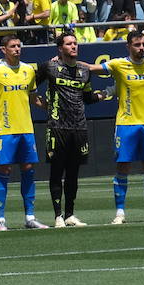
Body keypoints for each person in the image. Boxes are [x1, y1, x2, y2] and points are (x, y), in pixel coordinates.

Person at [41, 32, 108, 227]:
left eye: (75, 43)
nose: (73, 47)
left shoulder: (84, 71)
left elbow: (87, 98)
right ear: (60, 48)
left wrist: (105, 94)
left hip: (79, 127)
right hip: (57, 127)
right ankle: (57, 216)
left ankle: (70, 214)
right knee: (56, 172)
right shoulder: (50, 67)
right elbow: (30, 87)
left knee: (73, 173)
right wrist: (45, 106)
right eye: (69, 44)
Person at [0, 32, 45, 229]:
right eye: (13, 46)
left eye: (19, 46)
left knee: (28, 170)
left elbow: (34, 98)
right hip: (5, 130)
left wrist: (53, 107)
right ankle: (0, 219)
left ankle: (30, 217)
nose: (17, 49)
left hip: (26, 129)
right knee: (4, 170)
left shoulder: (28, 70)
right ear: (4, 50)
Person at [101, 28, 144, 224]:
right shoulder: (119, 64)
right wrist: (64, 61)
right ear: (128, 46)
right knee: (123, 166)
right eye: (137, 45)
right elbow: (92, 68)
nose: (141, 48)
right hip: (126, 124)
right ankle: (120, 213)